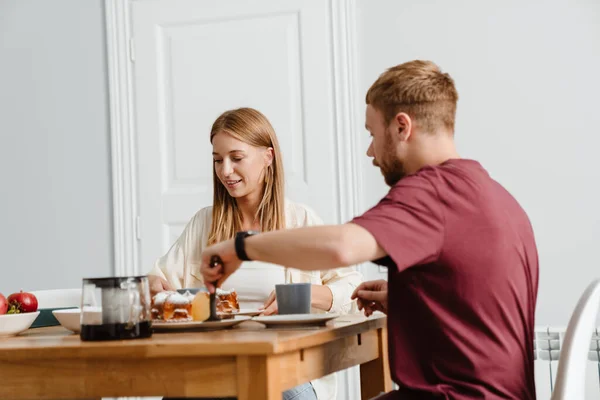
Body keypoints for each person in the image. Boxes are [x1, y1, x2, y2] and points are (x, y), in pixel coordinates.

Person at [199, 61, 539, 400]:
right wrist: (409, 303)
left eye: (373, 134)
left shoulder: (432, 191)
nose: (370, 151)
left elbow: (343, 247)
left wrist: (240, 247)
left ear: (402, 127)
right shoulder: (492, 194)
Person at [147, 107, 363, 400]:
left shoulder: (299, 221)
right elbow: (158, 280)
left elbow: (352, 290)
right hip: (215, 363)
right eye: (217, 160)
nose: (225, 170)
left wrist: (306, 294)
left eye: (236, 158)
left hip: (286, 366)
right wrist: (152, 287)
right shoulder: (204, 223)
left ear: (268, 157)